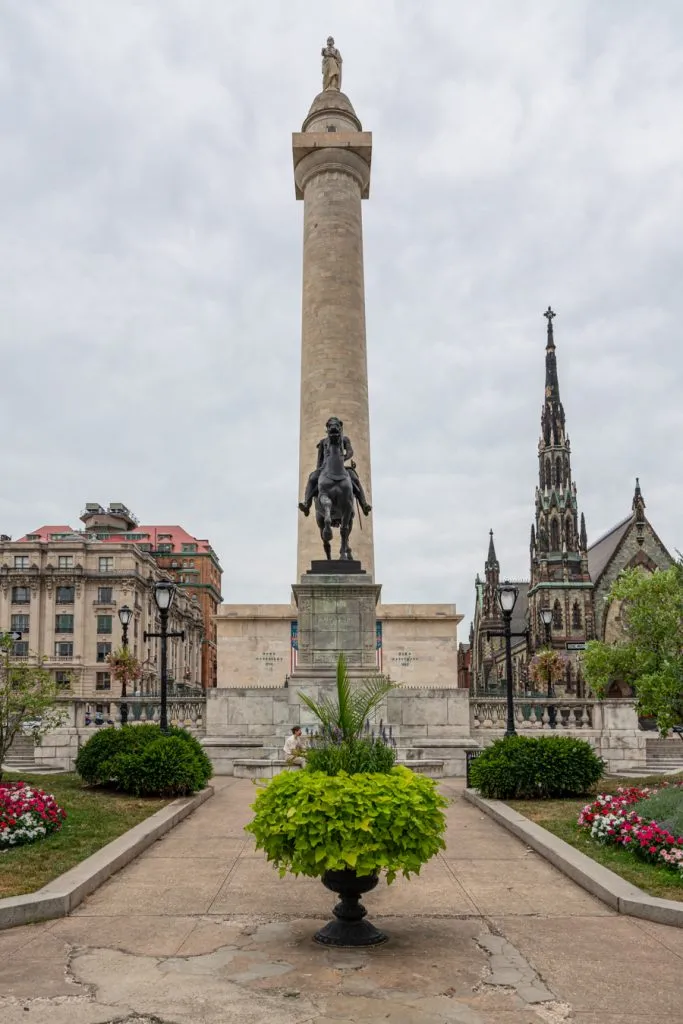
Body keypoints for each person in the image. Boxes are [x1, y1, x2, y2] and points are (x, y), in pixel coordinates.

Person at [298, 417, 372, 517]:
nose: (333, 428)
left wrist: (343, 458)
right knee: (312, 478)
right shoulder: (323, 442)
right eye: (330, 426)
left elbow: (350, 452)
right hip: (324, 468)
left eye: (336, 425)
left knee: (355, 478)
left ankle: (364, 504)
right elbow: (319, 459)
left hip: (341, 466)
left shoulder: (345, 439)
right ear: (327, 428)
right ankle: (307, 503)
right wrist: (318, 470)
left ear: (340, 427)